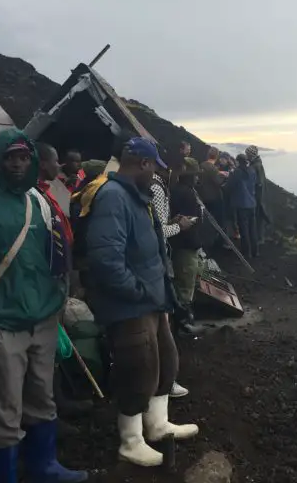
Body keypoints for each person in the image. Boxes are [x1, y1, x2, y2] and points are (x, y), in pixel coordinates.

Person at [0, 129, 87, 483]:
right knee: (3, 410)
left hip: (42, 320)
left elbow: (51, 256)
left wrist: (55, 305)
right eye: (11, 157)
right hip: (2, 325)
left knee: (42, 396)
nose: (18, 163)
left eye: (24, 157)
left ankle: (45, 467)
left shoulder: (36, 201)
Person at [85, 137, 198, 467]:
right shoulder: (113, 198)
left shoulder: (136, 196)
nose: (157, 176)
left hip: (151, 298)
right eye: (155, 168)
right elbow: (106, 259)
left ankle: (157, 425)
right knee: (138, 368)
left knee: (163, 359)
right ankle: (131, 440)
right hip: (131, 304)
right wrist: (138, 292)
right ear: (143, 164)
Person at [33, 143, 94, 424]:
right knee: (46, 346)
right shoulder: (33, 197)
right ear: (42, 163)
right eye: (56, 160)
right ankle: (50, 406)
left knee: (54, 342)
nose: (59, 166)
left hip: (58, 278)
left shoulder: (45, 193)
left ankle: (56, 399)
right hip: (46, 283)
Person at [150, 157, 194, 399]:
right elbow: (158, 230)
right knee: (161, 323)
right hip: (157, 260)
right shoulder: (156, 188)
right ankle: (164, 382)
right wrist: (180, 227)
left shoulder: (153, 186)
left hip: (155, 259)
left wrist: (171, 222)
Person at [169, 157, 203, 327]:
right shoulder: (186, 193)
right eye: (195, 175)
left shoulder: (178, 190)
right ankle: (184, 320)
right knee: (185, 282)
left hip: (182, 244)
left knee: (185, 279)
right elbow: (190, 220)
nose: (197, 178)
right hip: (186, 245)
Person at [227, 154, 259, 258]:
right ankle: (255, 251)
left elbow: (230, 186)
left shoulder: (237, 172)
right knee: (252, 229)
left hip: (242, 205)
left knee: (244, 229)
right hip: (252, 204)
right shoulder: (252, 170)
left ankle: (247, 253)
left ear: (238, 161)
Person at [198, 146, 226, 247]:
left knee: (206, 219)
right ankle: (217, 242)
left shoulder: (201, 165)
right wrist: (224, 176)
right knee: (218, 220)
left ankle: (205, 239)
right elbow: (218, 182)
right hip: (214, 198)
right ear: (217, 156)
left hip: (204, 196)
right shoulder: (213, 168)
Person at [245, 145, 270, 244]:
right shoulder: (257, 164)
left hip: (257, 197)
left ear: (250, 155)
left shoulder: (255, 166)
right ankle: (259, 237)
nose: (246, 155)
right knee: (258, 217)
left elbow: (257, 183)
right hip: (259, 197)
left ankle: (259, 238)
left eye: (247, 154)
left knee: (258, 218)